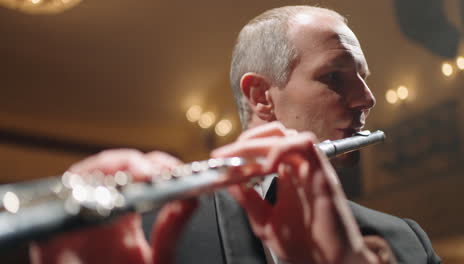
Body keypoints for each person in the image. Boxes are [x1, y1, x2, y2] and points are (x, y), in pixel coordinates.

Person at [30, 5, 441, 264]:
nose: (367, 99)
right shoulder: (141, 228)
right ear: (262, 96)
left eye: (363, 80)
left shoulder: (406, 241)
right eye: (336, 76)